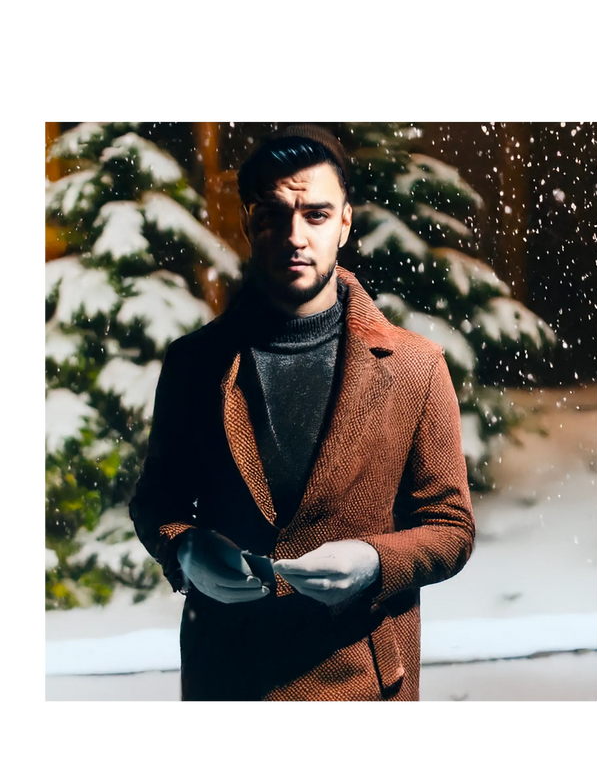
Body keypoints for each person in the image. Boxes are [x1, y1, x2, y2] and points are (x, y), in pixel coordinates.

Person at [129, 123, 476, 704]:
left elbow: (452, 529)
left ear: (344, 222)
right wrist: (183, 548)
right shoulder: (195, 364)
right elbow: (156, 503)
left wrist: (373, 559)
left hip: (362, 683)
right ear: (247, 222)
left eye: (315, 215)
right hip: (229, 678)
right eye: (273, 214)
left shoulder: (415, 367)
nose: (295, 235)